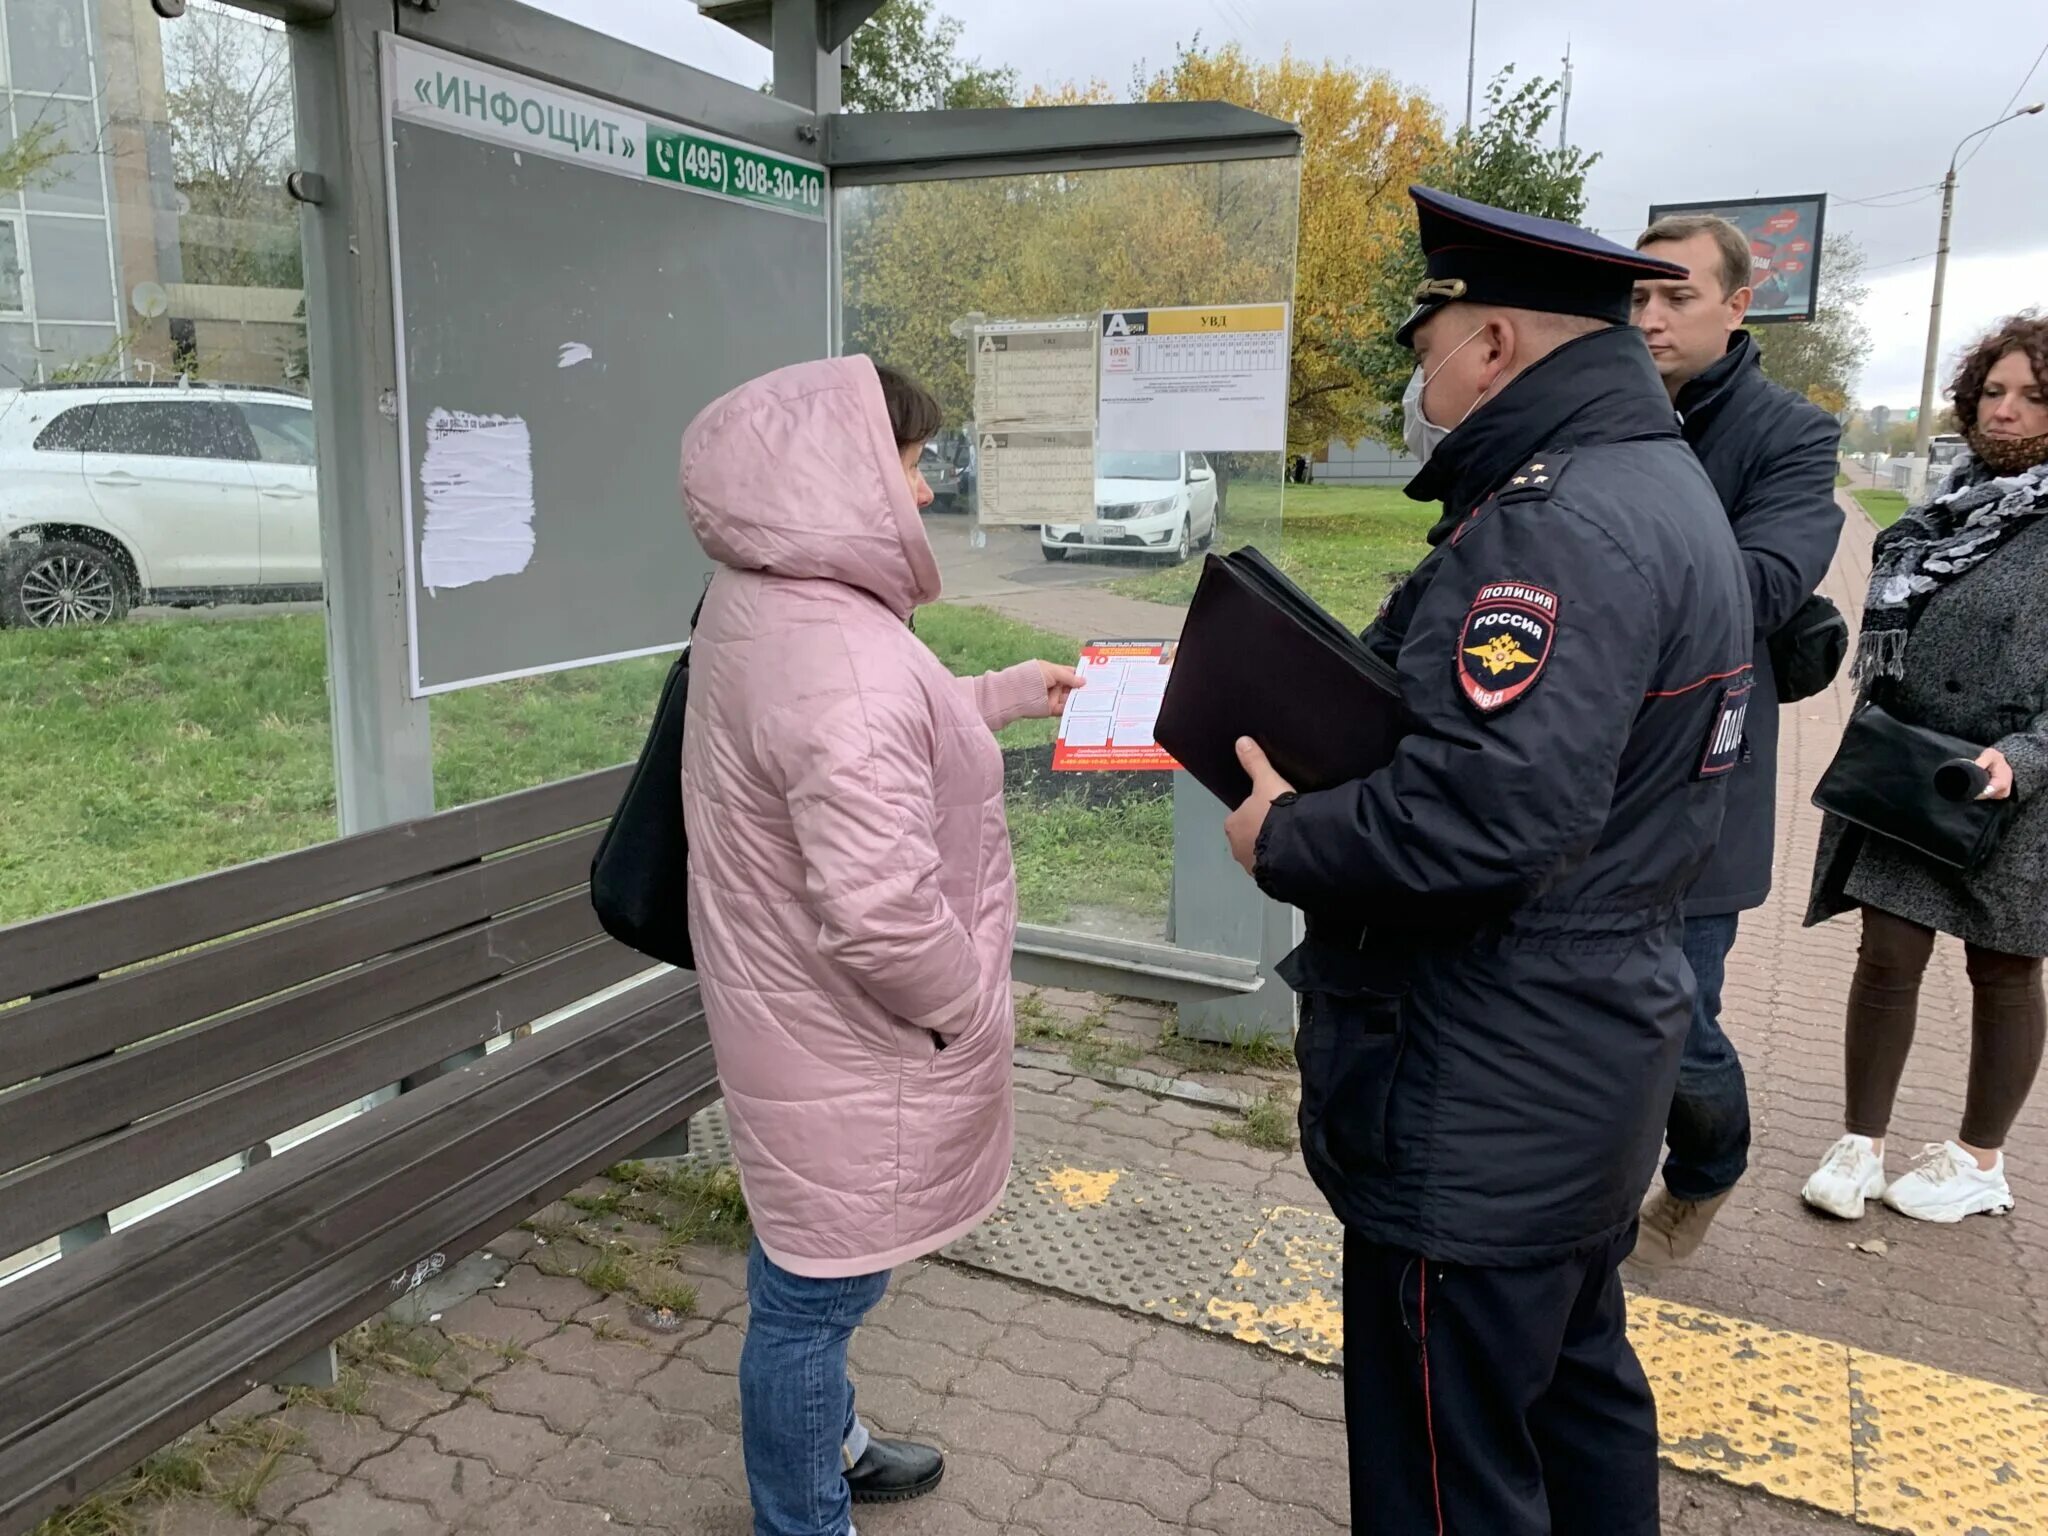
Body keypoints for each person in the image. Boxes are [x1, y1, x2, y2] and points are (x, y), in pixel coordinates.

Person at [1222, 186, 1753, 1536]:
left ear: (1498, 345)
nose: (1418, 378)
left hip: (1481, 1078)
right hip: (1580, 1060)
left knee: (1446, 1479)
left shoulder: (1554, 523)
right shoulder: (1657, 484)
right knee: (1575, 1401)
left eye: (1425, 345)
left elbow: (1483, 823)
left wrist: (1284, 833)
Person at [677, 355, 1082, 1536]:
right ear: (840, 474)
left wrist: (1002, 690)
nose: (919, 488)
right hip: (851, 1033)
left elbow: (870, 729)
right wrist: (971, 1008)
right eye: (905, 460)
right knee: (813, 1295)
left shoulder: (774, 601)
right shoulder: (837, 646)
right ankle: (803, 1519)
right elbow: (881, 912)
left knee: (811, 1267)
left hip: (795, 1014)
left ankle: (831, 1445)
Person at [1625, 215, 1845, 1266]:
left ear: (1735, 305)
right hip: (1580, 767)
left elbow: (1763, 584)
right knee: (1594, 1007)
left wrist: (1605, 561)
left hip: (1701, 782)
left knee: (1672, 1019)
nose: (1650, 317)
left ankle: (1708, 1165)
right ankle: (1591, 1191)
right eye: (1635, 298)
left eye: (1674, 296)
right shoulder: (1601, 412)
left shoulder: (1787, 434)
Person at [1802, 312, 2048, 1224]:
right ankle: (1860, 1142)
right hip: (1912, 770)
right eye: (1994, 393)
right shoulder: (1947, 504)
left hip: (2013, 784)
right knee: (1887, 954)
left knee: (2006, 971)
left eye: (2033, 396)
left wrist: (2021, 760)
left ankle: (1980, 1159)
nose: (2009, 413)